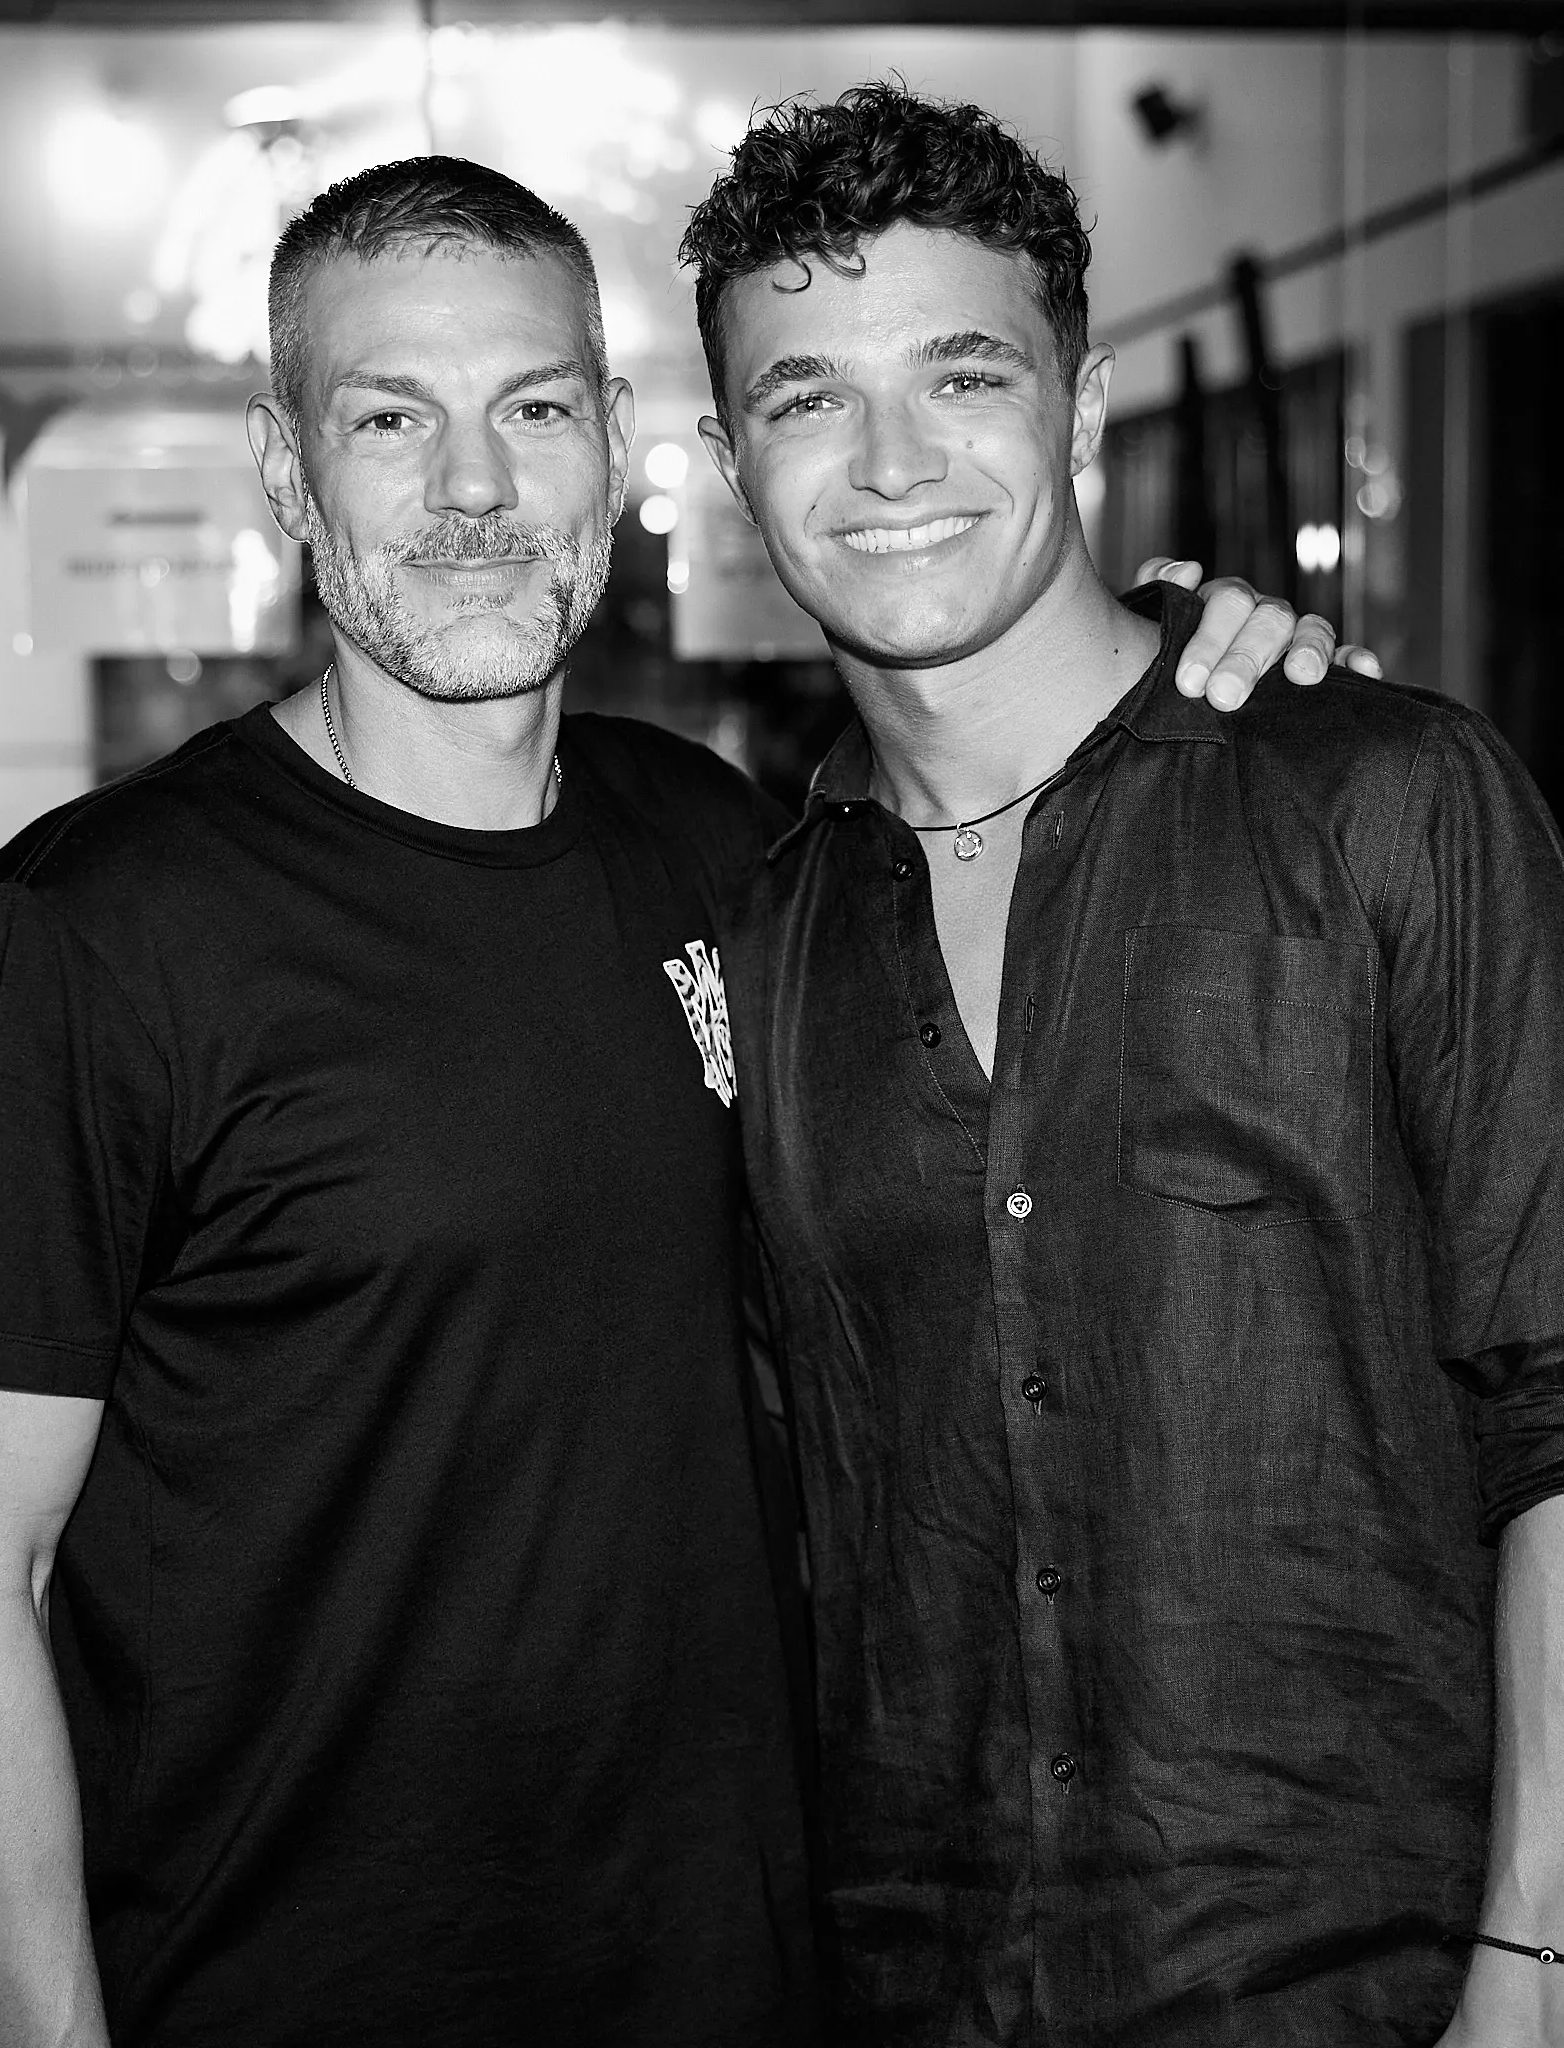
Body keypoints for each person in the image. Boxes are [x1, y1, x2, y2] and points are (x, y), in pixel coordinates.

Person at [0, 155, 1346, 2047]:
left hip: (740, 1979)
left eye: (529, 410)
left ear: (613, 444)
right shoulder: (91, 933)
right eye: (387, 420)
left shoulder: (729, 854)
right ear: (283, 469)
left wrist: (1212, 660)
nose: (473, 494)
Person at [683, 84, 1564, 2048]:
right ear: (733, 463)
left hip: (1372, 1991)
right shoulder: (776, 933)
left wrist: (1535, 1961)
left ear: (1081, 406)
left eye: (963, 373)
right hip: (927, 1988)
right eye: (806, 396)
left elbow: (1558, 1408)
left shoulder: (1387, 802)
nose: (891, 457)